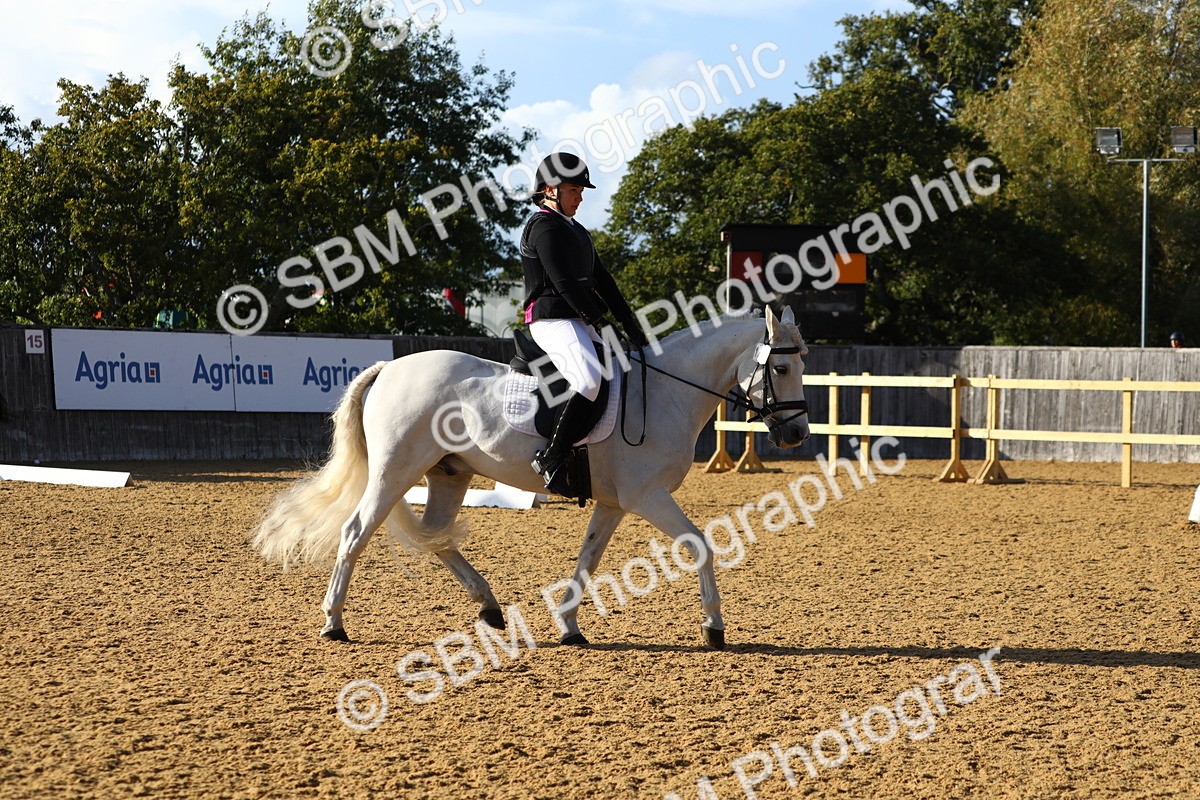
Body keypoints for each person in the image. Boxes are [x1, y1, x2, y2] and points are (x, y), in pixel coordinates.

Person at [520, 152, 648, 496]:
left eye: (582, 191)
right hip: (551, 318)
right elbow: (564, 283)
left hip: (579, 318)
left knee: (625, 367)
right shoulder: (542, 227)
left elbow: (605, 283)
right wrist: (601, 323)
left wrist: (632, 326)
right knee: (589, 379)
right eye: (575, 190)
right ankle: (552, 457)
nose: (580, 197)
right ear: (550, 190)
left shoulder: (578, 231)